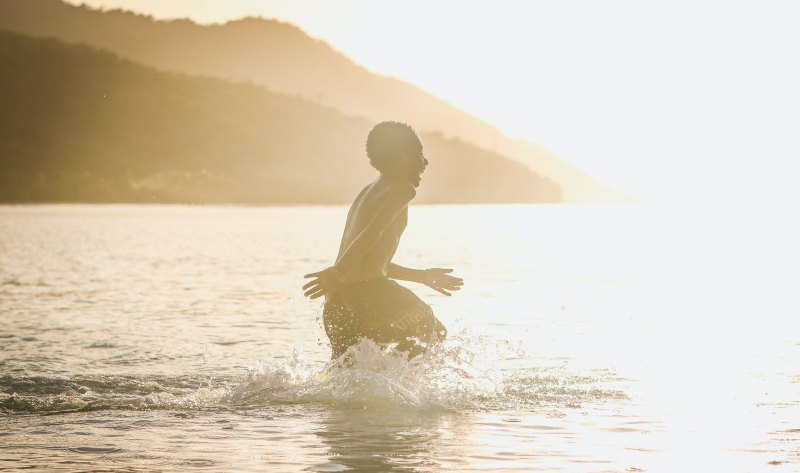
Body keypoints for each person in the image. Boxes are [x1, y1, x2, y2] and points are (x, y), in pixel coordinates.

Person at [303, 121, 463, 359]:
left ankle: (374, 385)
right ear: (399, 155)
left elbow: (372, 261)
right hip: (371, 294)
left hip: (337, 297)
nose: (425, 162)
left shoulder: (367, 192)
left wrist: (422, 276)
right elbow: (372, 233)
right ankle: (393, 389)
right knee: (434, 332)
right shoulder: (402, 189)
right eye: (418, 154)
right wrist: (337, 270)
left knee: (345, 369)